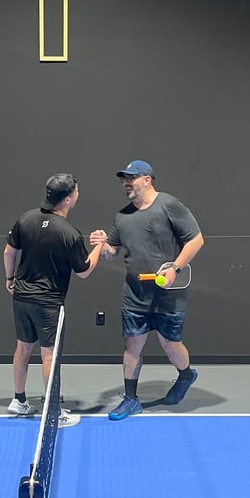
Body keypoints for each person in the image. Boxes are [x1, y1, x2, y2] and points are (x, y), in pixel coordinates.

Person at [90, 159, 204, 420]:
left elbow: (196, 240)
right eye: (124, 179)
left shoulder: (169, 205)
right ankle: (131, 399)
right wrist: (102, 245)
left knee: (170, 344)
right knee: (132, 345)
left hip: (168, 294)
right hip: (135, 294)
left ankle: (186, 375)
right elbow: (111, 252)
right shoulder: (122, 216)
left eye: (131, 178)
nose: (126, 183)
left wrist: (174, 269)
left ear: (147, 179)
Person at [4, 172, 103, 425]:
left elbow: (8, 252)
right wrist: (99, 245)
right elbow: (84, 271)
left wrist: (10, 278)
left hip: (22, 298)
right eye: (76, 192)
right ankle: (53, 413)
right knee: (49, 356)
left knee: (23, 348)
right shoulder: (69, 233)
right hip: (48, 304)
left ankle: (18, 400)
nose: (78, 195)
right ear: (68, 199)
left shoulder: (25, 219)